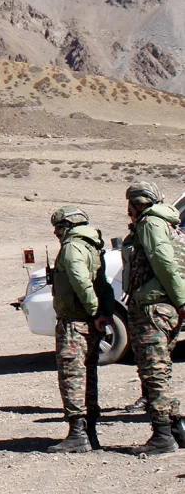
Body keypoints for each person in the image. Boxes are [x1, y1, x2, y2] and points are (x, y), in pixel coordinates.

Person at [122, 182, 185, 454]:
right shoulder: (167, 223)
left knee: (154, 371)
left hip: (153, 307)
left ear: (139, 203)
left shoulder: (150, 223)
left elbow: (163, 260)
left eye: (130, 204)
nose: (128, 212)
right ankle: (175, 429)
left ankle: (162, 436)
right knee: (160, 369)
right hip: (161, 305)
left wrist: (181, 299)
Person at [47, 207, 115, 453]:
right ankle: (90, 432)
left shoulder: (72, 247)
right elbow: (103, 284)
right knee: (89, 377)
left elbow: (81, 281)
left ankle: (78, 433)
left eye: (57, 226)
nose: (55, 232)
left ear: (67, 225)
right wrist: (102, 312)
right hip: (89, 321)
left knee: (72, 377)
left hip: (75, 322)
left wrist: (95, 311)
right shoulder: (93, 246)